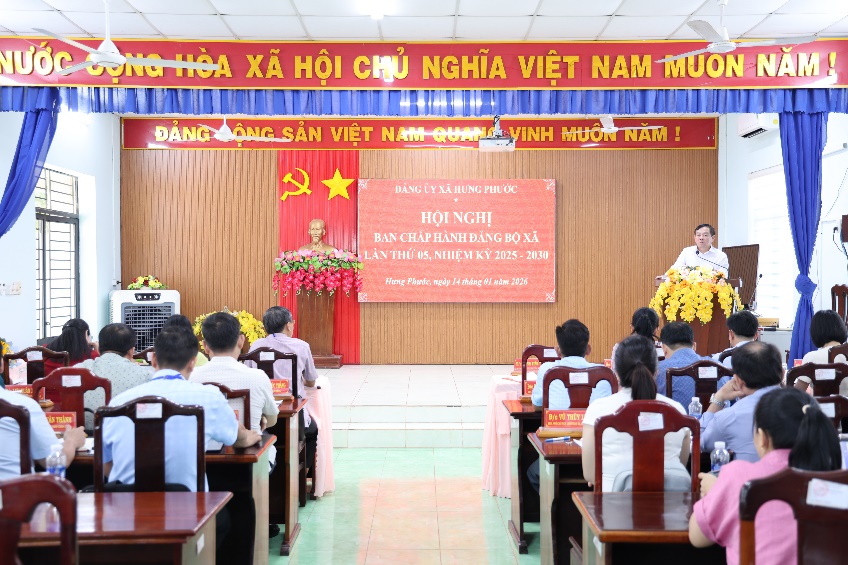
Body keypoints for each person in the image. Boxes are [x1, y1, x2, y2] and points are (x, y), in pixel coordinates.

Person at [689, 387, 841, 563]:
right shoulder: (838, 483)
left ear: (762, 438)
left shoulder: (738, 478)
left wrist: (718, 491)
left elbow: (697, 537)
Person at [101, 326, 261, 492]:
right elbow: (237, 437)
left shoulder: (117, 403)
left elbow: (105, 464)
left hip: (125, 510)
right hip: (189, 510)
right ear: (192, 363)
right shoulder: (208, 397)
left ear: (154, 359)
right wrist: (250, 436)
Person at [581, 335, 690, 492]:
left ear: (616, 372)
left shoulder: (598, 410)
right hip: (669, 509)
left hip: (612, 509)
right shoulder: (677, 410)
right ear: (656, 371)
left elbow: (590, 475)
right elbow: (679, 466)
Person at [527, 319, 610, 492]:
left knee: (532, 472)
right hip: (596, 450)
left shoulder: (548, 370)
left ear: (558, 349)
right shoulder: (603, 373)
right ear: (588, 349)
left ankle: (553, 513)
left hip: (557, 444)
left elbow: (536, 403)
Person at [248, 306, 318, 476]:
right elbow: (310, 380)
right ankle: (302, 476)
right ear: (288, 325)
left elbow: (248, 378)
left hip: (262, 415)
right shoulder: (301, 346)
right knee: (313, 431)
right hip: (293, 415)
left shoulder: (255, 346)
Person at [190, 312, 278, 434]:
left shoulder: (190, 378)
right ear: (241, 341)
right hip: (249, 451)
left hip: (204, 451)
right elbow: (272, 420)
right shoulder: (258, 377)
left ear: (205, 346)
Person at [700, 341, 782, 463]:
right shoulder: (807, 405)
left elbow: (702, 443)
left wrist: (719, 399)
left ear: (738, 380)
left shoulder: (729, 416)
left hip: (748, 481)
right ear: (782, 373)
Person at [76, 323, 153, 430]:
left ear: (99, 348)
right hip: (126, 437)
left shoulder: (78, 369)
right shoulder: (144, 375)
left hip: (84, 435)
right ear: (131, 351)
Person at [0, 386, 86, 480]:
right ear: (1, 370)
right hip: (15, 491)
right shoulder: (22, 405)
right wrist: (72, 440)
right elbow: (56, 462)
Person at [656, 322, 713, 411]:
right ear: (694, 346)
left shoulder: (658, 370)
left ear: (664, 348)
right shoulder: (718, 366)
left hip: (675, 423)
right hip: (716, 423)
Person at [610, 307, 660, 372]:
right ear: (657, 329)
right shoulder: (663, 349)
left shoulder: (619, 348)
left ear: (632, 327)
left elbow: (615, 374)